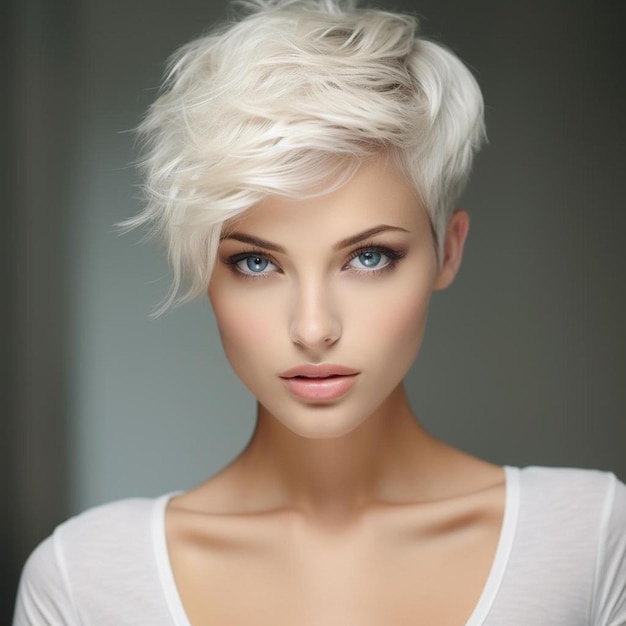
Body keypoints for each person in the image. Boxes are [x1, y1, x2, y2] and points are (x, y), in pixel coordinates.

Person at [13, 0, 626, 624]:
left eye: (368, 257)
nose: (312, 329)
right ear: (204, 269)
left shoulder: (589, 540)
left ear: (449, 251)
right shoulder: (84, 579)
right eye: (257, 263)